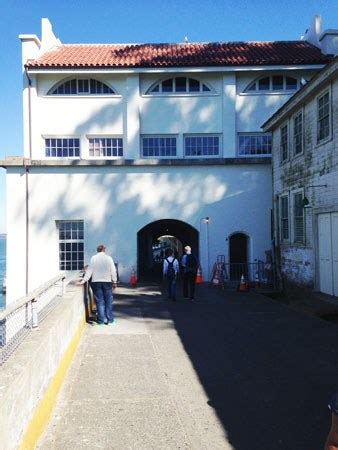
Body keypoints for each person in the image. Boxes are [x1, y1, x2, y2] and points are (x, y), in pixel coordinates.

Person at [81, 244, 117, 325]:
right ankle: (110, 320)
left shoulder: (93, 258)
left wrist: (84, 280)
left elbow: (89, 270)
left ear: (97, 250)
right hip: (107, 282)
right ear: (104, 250)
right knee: (108, 301)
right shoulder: (109, 258)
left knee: (99, 301)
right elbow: (113, 271)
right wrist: (114, 281)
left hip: (96, 282)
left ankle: (100, 321)